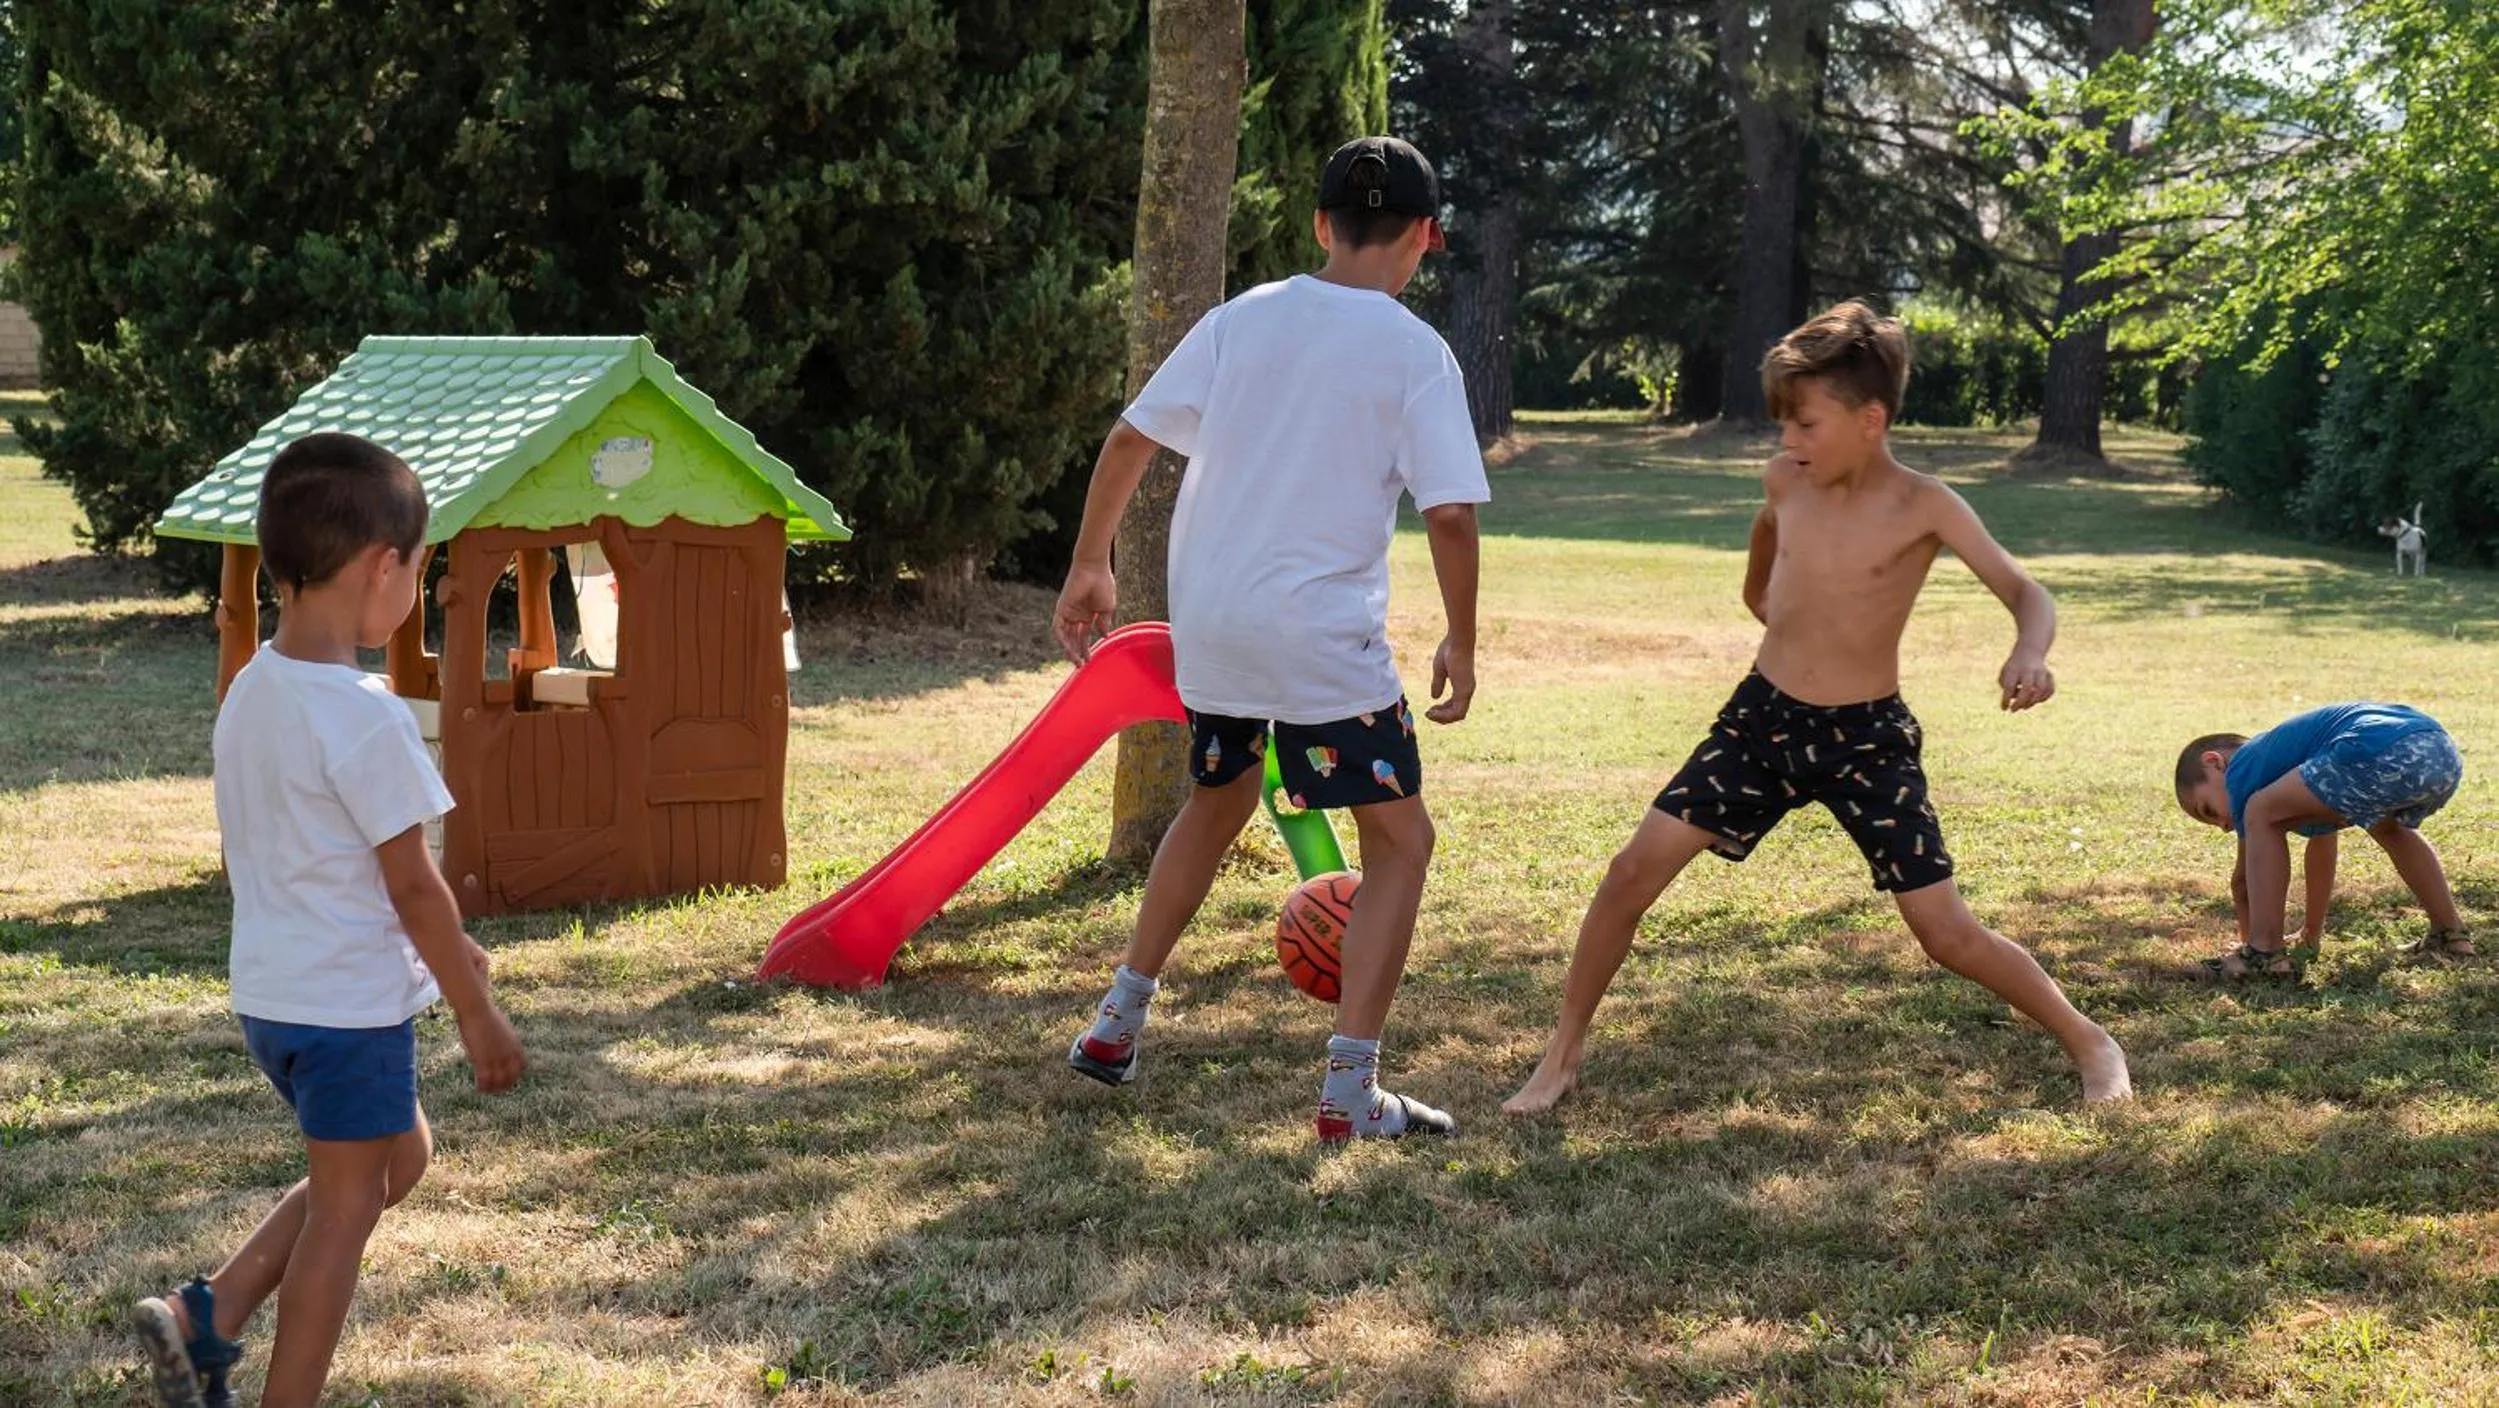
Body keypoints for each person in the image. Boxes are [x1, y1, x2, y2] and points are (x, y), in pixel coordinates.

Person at [1503, 301, 2132, 1115]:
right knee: (1629, 874)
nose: (1788, 441)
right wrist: (1762, 598)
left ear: (1870, 420)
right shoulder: (1784, 480)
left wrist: (2029, 651)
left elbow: (2025, 592)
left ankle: (2090, 1042)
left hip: (1866, 739)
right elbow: (1766, 547)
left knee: (1943, 932)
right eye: (1783, 425)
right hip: (1760, 722)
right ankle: (1560, 1055)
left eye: (1804, 424)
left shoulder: (1926, 505)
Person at [1052, 137, 1487, 1140]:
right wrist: (1462, 638)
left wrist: (1089, 564)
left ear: (1321, 224)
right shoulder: (1415, 351)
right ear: (1426, 237)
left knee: (1217, 800)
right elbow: (1450, 514)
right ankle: (1349, 1092)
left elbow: (1131, 437)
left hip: (1215, 623)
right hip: (1317, 637)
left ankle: (1116, 1023)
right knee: (1402, 843)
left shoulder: (1239, 317)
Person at [134, 432, 526, 1408]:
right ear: (381, 567)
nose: (418, 590)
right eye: (421, 569)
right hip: (347, 1014)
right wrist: (475, 1008)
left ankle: (208, 1313)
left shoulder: (252, 691)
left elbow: (295, 853)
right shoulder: (367, 714)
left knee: (401, 1154)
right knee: (344, 1216)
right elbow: (413, 886)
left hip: (273, 1000)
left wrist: (444, 953)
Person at [2174, 703, 2470, 977]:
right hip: (2437, 750)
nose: (2224, 826)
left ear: (2214, 762)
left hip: (2374, 746)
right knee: (2388, 828)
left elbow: (2243, 882)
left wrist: (2249, 943)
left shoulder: (2242, 768)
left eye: (2208, 810)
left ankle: (2262, 954)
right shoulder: (2306, 776)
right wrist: (2311, 933)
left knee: (2259, 811)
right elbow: (2322, 857)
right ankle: (2450, 934)